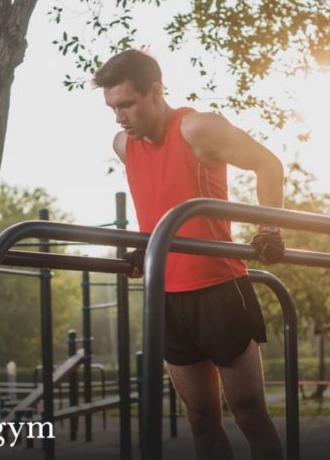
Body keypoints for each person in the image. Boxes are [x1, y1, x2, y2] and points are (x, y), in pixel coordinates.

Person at [94, 49, 286, 460]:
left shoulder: (198, 128)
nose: (119, 117)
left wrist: (269, 228)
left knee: (249, 413)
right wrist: (144, 247)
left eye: (126, 104)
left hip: (219, 288)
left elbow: (268, 164)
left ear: (156, 91)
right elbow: (158, 201)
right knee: (200, 417)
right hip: (166, 294)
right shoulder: (123, 145)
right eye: (112, 107)